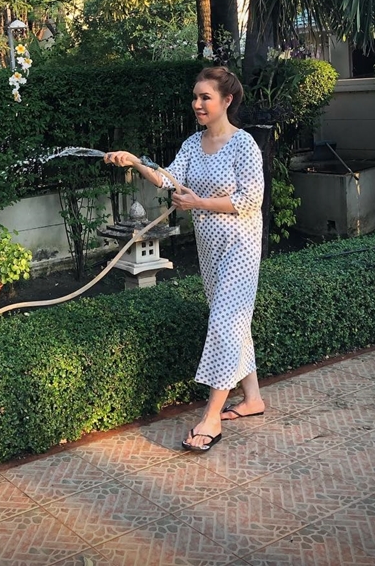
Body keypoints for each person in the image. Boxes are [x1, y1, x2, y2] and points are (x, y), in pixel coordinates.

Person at [104, 66, 265, 452]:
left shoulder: (244, 144)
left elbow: (250, 200)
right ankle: (253, 398)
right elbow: (169, 178)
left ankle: (212, 416)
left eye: (205, 97)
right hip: (210, 248)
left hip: (240, 245)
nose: (197, 104)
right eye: (195, 97)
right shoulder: (194, 144)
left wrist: (198, 202)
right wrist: (135, 162)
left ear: (227, 100)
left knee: (225, 323)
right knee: (234, 322)